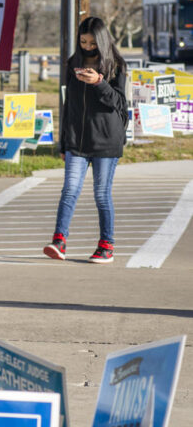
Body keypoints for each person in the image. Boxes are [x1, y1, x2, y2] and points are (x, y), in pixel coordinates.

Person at [44, 16, 128, 264]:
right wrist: (63, 142)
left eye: (92, 42)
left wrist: (99, 83)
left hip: (106, 141)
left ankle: (106, 245)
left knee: (102, 195)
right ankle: (59, 241)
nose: (88, 46)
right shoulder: (73, 63)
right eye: (83, 41)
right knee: (69, 190)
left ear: (101, 41)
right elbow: (68, 104)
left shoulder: (117, 65)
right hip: (77, 143)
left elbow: (120, 104)